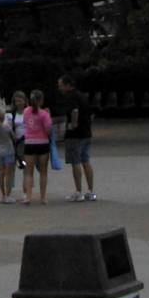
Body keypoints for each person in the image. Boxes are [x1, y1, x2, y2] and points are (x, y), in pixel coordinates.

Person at [57, 74, 96, 202]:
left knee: (76, 161)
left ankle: (78, 191)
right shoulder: (82, 96)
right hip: (86, 132)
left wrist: (73, 125)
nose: (60, 88)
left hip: (75, 135)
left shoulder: (71, 96)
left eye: (61, 86)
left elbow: (74, 110)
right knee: (86, 160)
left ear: (68, 85)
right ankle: (90, 191)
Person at [20, 90, 53, 205]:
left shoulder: (25, 112)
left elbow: (25, 124)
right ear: (41, 101)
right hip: (42, 143)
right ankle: (43, 197)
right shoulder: (44, 114)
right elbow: (48, 130)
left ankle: (28, 196)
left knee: (29, 172)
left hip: (29, 143)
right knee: (43, 171)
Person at [0, 90, 28, 205]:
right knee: (10, 169)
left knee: (25, 167)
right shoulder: (11, 114)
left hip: (25, 144)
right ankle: (8, 193)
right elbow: (6, 127)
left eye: (20, 100)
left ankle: (25, 192)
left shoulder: (28, 112)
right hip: (13, 145)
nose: (18, 103)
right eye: (16, 101)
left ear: (25, 101)